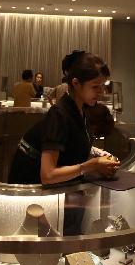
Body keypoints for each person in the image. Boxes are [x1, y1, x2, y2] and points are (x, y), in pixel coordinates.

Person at [8, 51, 119, 186]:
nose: (100, 91)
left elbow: (72, 153)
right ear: (76, 83)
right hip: (31, 193)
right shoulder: (59, 114)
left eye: (102, 86)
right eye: (95, 86)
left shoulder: (81, 110)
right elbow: (48, 175)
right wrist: (92, 166)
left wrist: (101, 165)